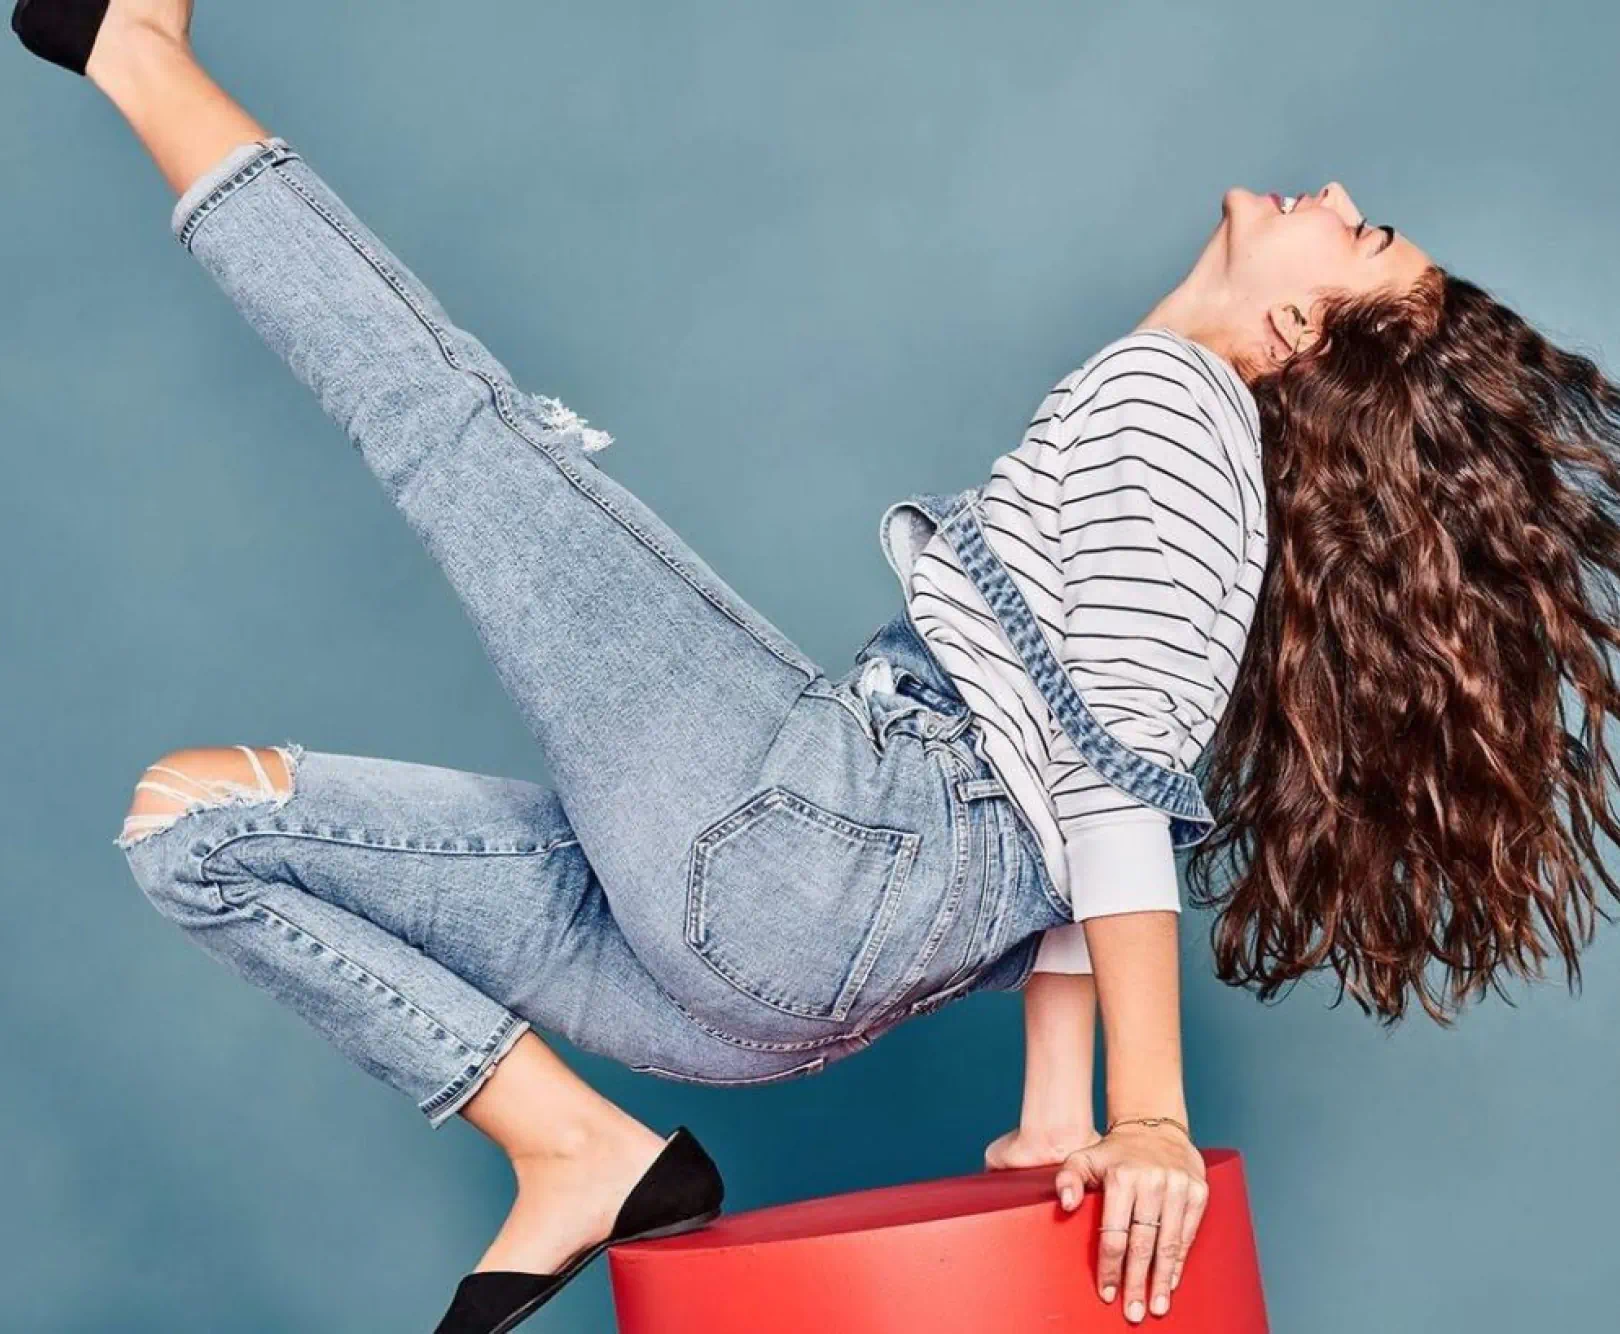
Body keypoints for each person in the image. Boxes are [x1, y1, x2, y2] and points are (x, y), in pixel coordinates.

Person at [17, 1, 1620, 1330]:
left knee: (451, 422)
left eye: (1367, 236)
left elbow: (1113, 783)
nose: (1337, 197)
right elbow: (1068, 769)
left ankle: (126, 42)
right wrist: (1058, 1105)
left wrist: (1148, 1114)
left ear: (1296, 345)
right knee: (195, 830)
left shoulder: (1173, 410)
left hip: (808, 843)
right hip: (765, 984)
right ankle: (572, 1146)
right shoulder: (1186, 458)